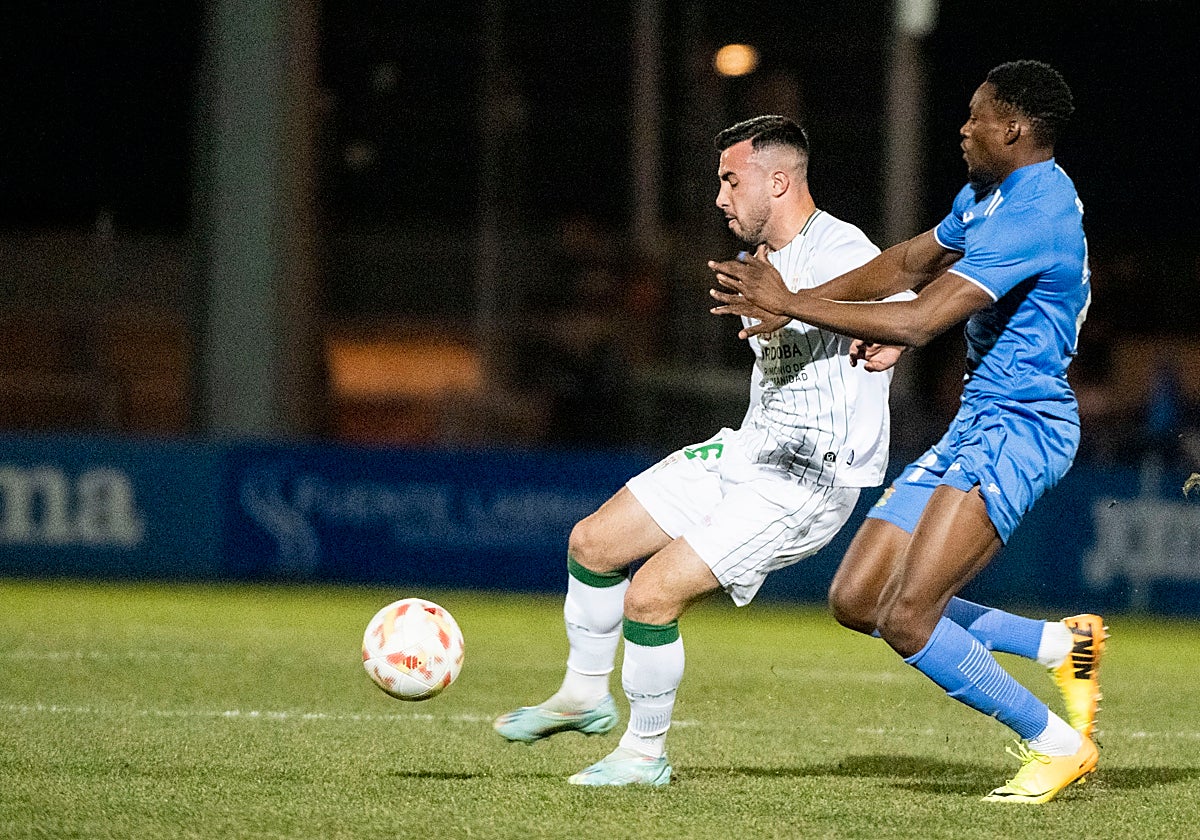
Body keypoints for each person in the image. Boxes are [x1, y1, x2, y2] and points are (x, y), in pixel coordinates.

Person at [709, 60, 1104, 804]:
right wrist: (792, 304)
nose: (962, 129)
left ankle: (1058, 744)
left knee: (910, 616)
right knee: (860, 599)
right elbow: (903, 266)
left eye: (976, 116)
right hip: (976, 422)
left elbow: (920, 319)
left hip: (1021, 428)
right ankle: (1061, 644)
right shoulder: (991, 195)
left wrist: (796, 302)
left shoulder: (1034, 211)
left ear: (1014, 129)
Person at [493, 114, 906, 785]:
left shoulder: (839, 247)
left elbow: (907, 302)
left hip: (806, 480)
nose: (719, 196)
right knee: (592, 544)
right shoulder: (754, 267)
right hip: (747, 453)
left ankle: (643, 756)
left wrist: (890, 337)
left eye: (729, 179)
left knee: (651, 596)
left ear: (778, 180)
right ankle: (585, 694)